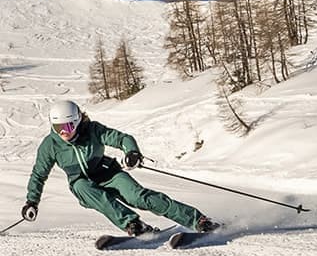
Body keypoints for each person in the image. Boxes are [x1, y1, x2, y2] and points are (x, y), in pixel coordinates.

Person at [21, 100, 217, 236]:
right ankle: (133, 224)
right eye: (58, 128)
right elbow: (39, 175)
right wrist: (32, 202)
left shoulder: (93, 130)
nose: (64, 133)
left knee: (140, 197)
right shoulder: (50, 146)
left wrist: (131, 152)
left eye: (69, 126)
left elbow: (122, 139)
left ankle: (197, 220)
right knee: (87, 190)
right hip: (83, 184)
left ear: (78, 120)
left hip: (108, 173)